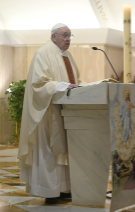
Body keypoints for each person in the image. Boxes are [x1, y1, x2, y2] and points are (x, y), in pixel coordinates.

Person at [18, 23, 85, 204]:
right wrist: (61, 86)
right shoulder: (43, 53)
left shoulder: (68, 56)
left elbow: (75, 80)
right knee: (49, 152)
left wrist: (84, 86)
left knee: (65, 151)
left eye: (70, 36)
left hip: (66, 111)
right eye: (64, 35)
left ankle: (63, 188)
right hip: (47, 112)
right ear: (53, 36)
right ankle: (49, 190)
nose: (68, 39)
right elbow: (38, 83)